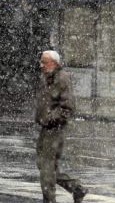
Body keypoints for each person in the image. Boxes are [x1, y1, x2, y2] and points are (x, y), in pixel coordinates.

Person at [35, 50, 88, 203]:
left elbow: (68, 107)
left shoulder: (62, 78)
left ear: (54, 63)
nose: (41, 65)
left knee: (46, 168)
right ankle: (76, 188)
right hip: (46, 128)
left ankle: (49, 200)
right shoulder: (47, 77)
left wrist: (51, 119)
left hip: (54, 129)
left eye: (44, 62)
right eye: (41, 61)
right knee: (45, 166)